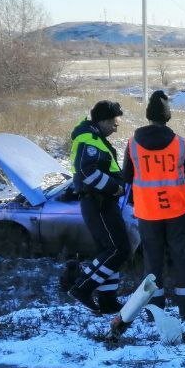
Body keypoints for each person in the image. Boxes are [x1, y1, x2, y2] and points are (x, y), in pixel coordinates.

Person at [120, 90, 185, 321]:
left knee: (152, 263)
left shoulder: (133, 144)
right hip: (176, 210)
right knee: (181, 259)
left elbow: (126, 177)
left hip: (147, 212)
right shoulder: (181, 144)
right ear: (168, 116)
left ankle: (155, 312)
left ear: (148, 116)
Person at [65, 100, 130, 314]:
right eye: (114, 122)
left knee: (108, 250)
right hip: (98, 201)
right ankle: (83, 288)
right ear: (102, 120)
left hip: (99, 201)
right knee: (118, 250)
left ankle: (108, 300)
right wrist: (114, 188)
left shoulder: (96, 137)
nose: (116, 127)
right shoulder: (89, 139)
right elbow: (86, 171)